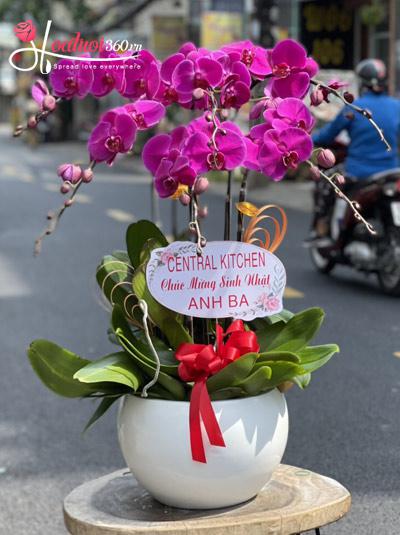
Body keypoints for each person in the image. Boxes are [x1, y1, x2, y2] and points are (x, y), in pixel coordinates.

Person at [308, 59, 400, 243]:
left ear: (362, 82)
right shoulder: (396, 106)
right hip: (392, 171)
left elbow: (327, 135)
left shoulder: (354, 107)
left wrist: (303, 140)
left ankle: (322, 230)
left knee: (328, 183)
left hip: (360, 173)